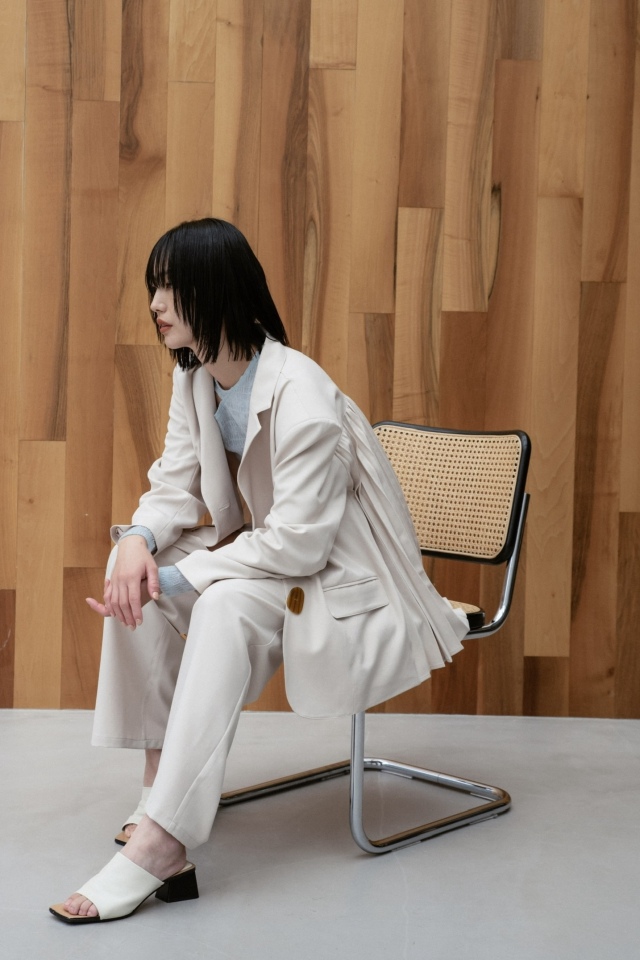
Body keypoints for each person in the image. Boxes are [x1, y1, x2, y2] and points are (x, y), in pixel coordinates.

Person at [50, 218, 468, 924]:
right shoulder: (196, 377)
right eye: (153, 288)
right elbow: (175, 482)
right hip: (272, 557)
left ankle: (162, 845)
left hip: (334, 578)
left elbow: (300, 545)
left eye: (170, 287)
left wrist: (182, 576)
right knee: (137, 578)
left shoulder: (303, 394)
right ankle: (157, 792)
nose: (155, 304)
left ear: (218, 290)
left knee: (213, 602)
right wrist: (139, 542)